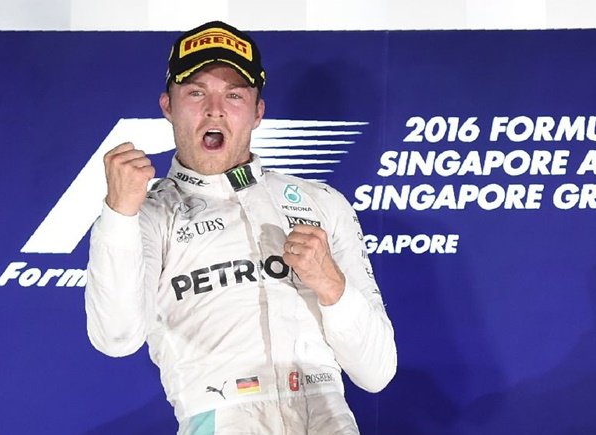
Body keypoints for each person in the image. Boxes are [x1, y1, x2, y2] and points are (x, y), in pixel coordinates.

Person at [85, 20, 396, 434]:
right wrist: (119, 214)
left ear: (257, 112)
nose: (215, 108)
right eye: (196, 92)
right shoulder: (144, 214)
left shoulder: (322, 203)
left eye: (234, 94)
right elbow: (116, 338)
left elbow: (377, 372)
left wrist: (330, 285)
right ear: (167, 106)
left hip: (328, 417)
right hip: (221, 419)